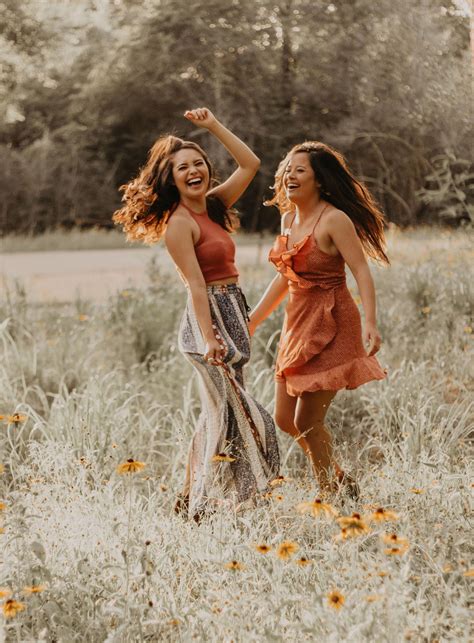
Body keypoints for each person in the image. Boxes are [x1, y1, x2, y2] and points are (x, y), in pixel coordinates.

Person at [113, 107, 279, 520]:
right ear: (170, 179)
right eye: (182, 167)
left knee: (219, 413)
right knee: (241, 414)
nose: (193, 171)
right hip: (208, 321)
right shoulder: (179, 224)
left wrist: (212, 127)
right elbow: (196, 287)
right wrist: (209, 337)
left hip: (232, 310)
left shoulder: (215, 204)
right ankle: (236, 496)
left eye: (198, 164)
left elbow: (251, 163)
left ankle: (193, 502)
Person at [248, 141, 389, 497]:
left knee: (307, 421)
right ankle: (341, 481)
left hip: (333, 323)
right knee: (284, 419)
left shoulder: (334, 219)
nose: (290, 176)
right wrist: (252, 320)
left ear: (320, 180)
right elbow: (285, 277)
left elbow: (361, 270)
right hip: (297, 324)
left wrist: (371, 322)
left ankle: (329, 494)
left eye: (300, 170)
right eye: (287, 170)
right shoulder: (288, 219)